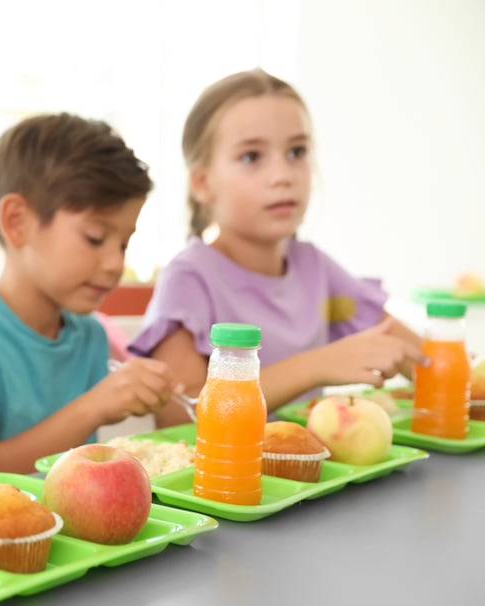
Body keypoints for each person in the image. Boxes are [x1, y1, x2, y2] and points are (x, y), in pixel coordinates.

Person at [128, 69, 425, 427]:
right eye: (252, 157)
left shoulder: (317, 270)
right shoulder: (189, 278)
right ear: (203, 183)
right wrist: (316, 366)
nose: (282, 175)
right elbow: (178, 415)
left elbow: (422, 360)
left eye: (296, 151)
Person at [0, 112, 176, 475]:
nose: (115, 263)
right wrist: (93, 407)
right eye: (95, 238)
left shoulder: (89, 334)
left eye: (125, 244)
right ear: (17, 222)